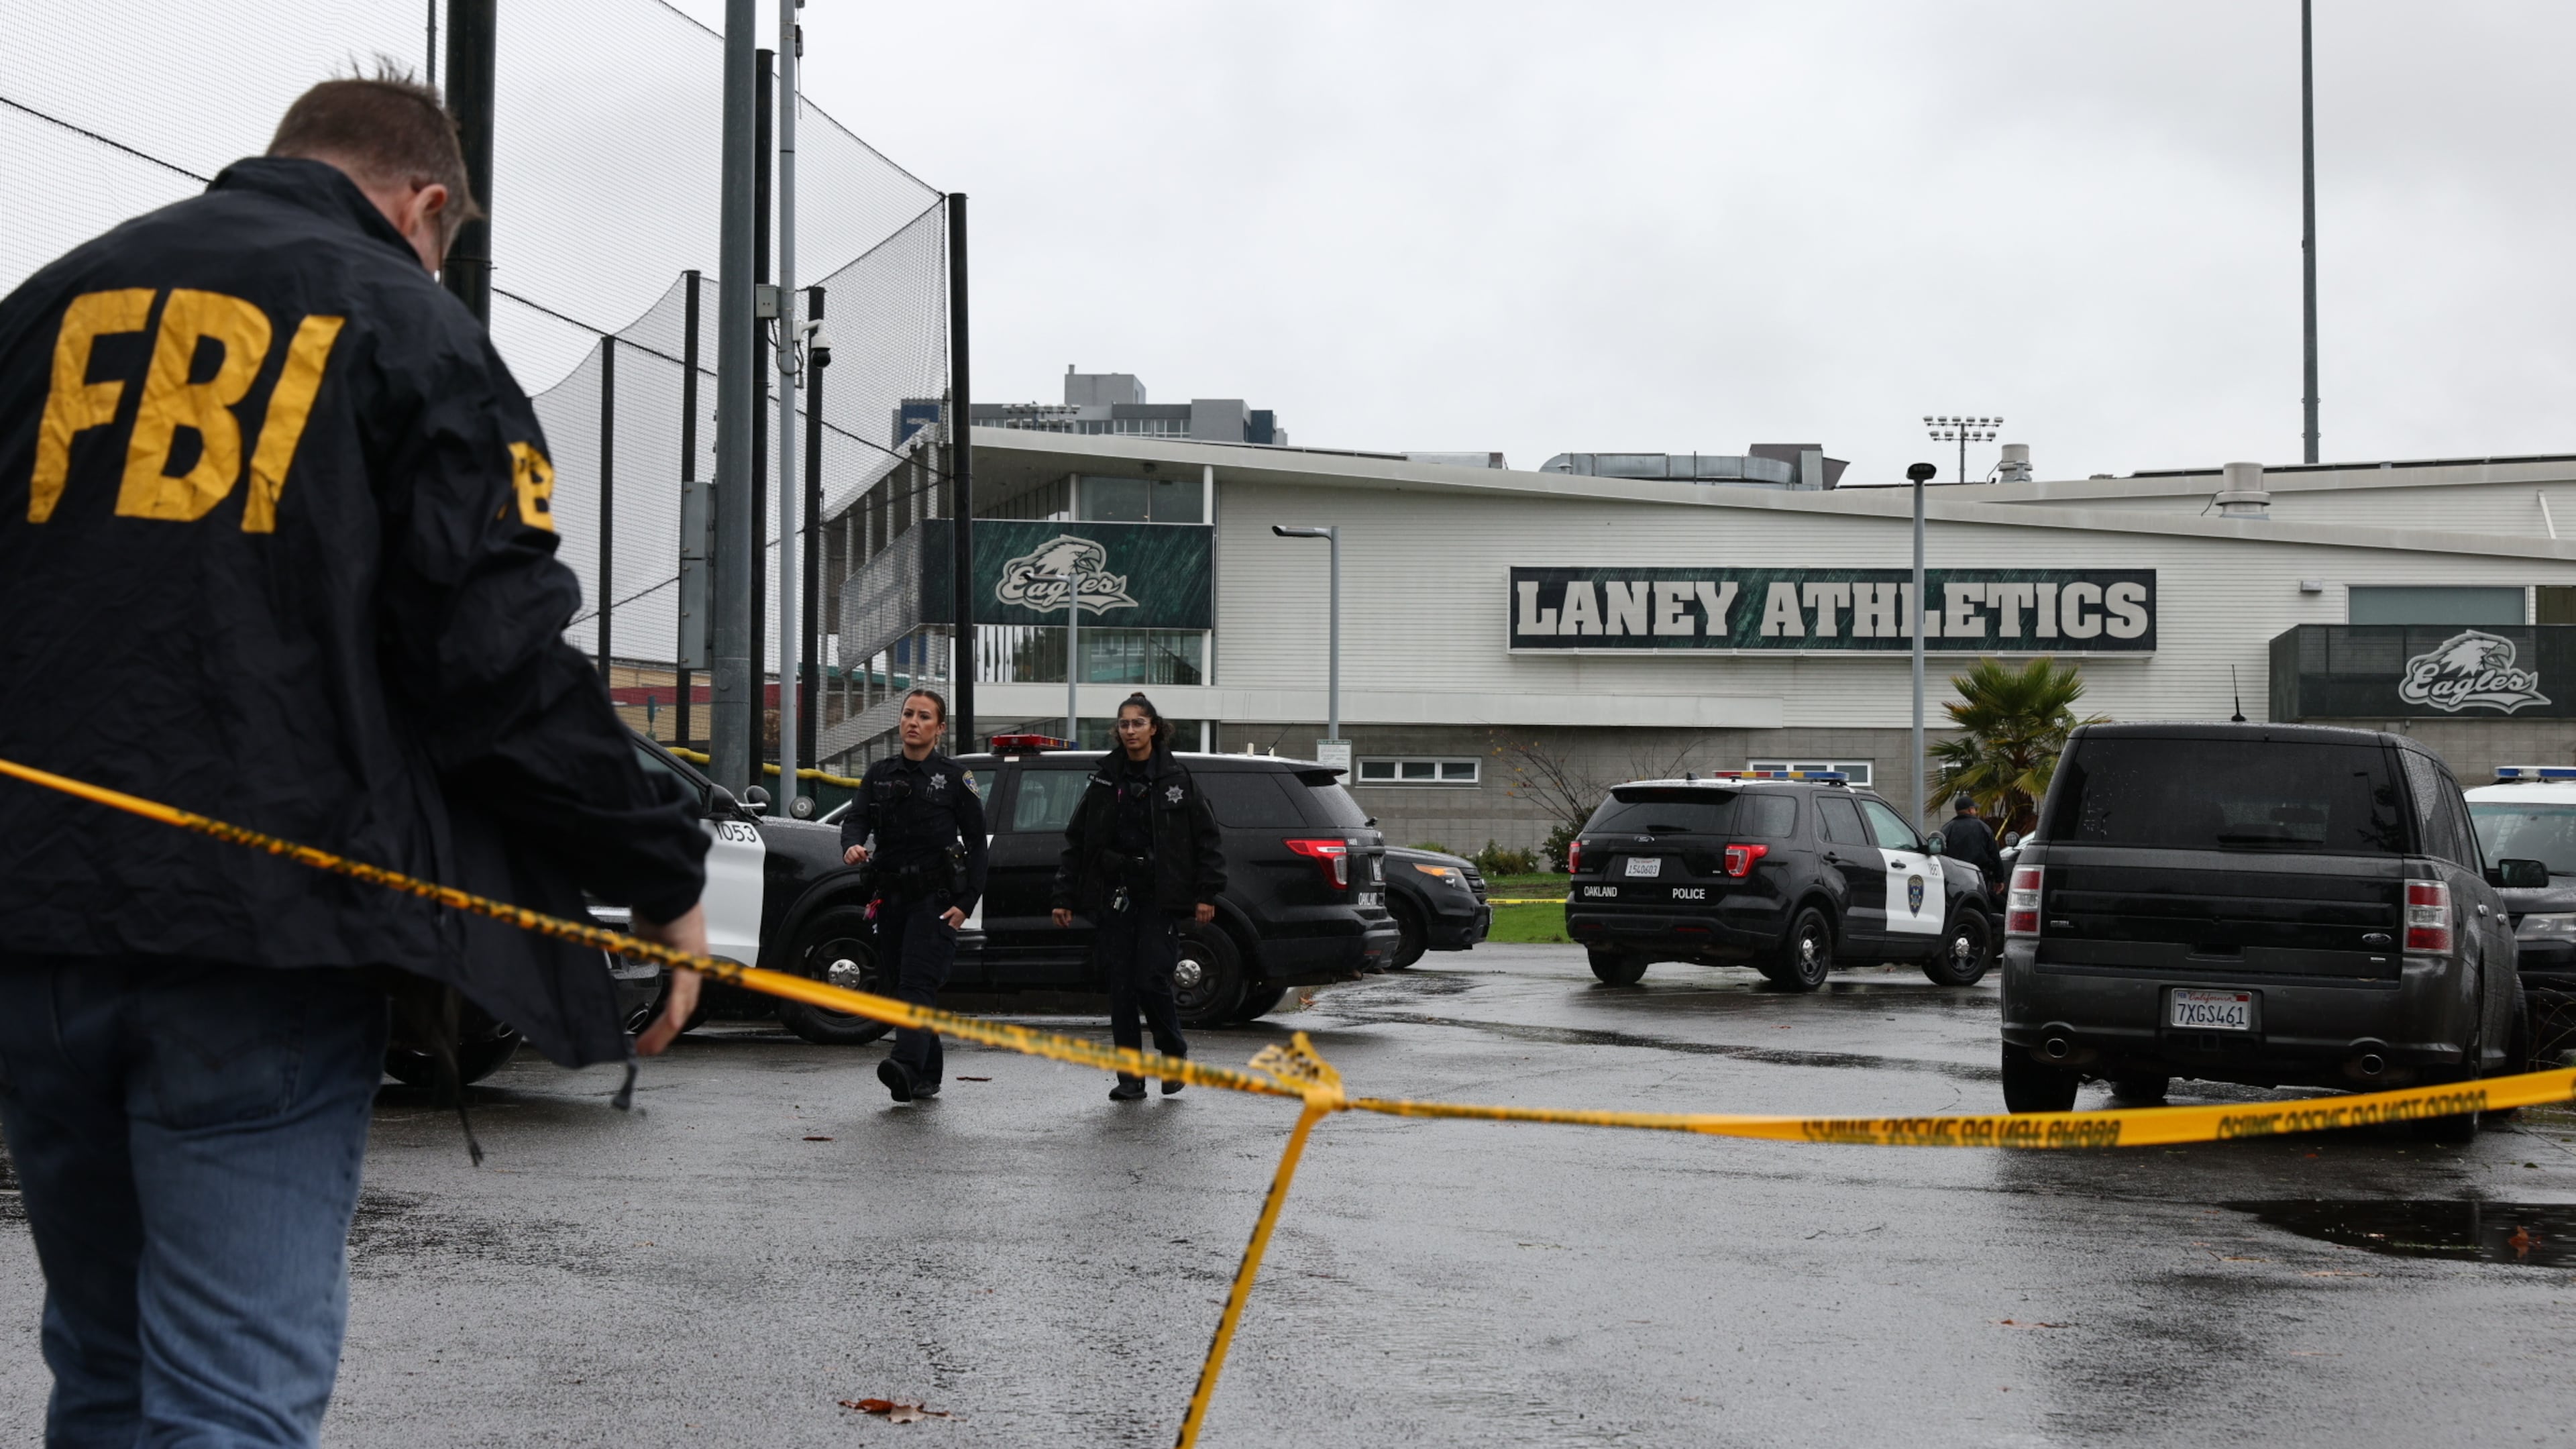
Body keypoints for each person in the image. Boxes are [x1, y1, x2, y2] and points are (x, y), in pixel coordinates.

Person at [0, 71, 710, 1448]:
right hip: (260, 931)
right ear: (424, 204)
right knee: (227, 1398)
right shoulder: (404, 324)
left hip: (33, 921)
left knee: (103, 1366)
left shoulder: (43, 312)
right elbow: (491, 655)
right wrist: (657, 862)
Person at [1051, 693, 1226, 1101]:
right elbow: (1078, 842)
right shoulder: (1104, 778)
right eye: (1124, 724)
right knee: (1122, 988)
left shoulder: (1176, 780)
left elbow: (1207, 841)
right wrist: (1065, 896)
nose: (1130, 731)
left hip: (1159, 896)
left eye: (1138, 723)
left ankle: (1172, 1055)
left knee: (1152, 979)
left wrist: (1207, 893)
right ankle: (1129, 1077)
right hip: (1115, 894)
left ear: (1154, 728)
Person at [841, 688, 987, 1103]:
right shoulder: (880, 773)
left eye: (924, 717)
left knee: (916, 982)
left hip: (935, 899)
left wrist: (966, 903)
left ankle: (904, 1067)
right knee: (901, 985)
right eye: (908, 714)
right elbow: (857, 819)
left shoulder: (956, 779)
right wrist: (851, 844)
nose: (913, 722)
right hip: (890, 897)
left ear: (940, 728)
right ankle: (928, 1072)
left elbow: (978, 844)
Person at [1941, 794, 2008, 898]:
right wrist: (1999, 879)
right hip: (1979, 878)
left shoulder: (1947, 828)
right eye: (1975, 809)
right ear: (1971, 810)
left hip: (1953, 879)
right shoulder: (1984, 828)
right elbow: (1994, 855)